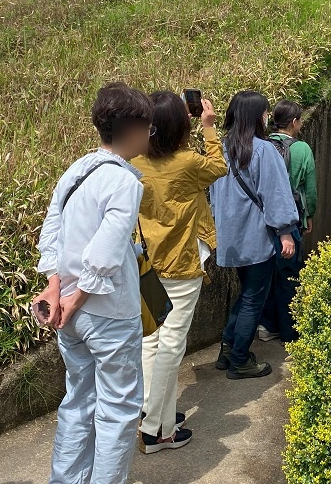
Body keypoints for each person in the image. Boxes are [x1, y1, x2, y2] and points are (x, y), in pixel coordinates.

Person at [33, 82, 155, 484]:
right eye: (148, 129)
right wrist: (80, 295)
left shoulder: (77, 168)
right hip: (106, 311)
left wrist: (56, 287)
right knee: (119, 411)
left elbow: (52, 229)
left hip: (69, 311)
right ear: (134, 128)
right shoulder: (125, 182)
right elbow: (104, 252)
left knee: (78, 402)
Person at [132, 92, 228, 453]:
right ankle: (156, 429)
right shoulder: (188, 162)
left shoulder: (134, 162)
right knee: (171, 343)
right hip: (182, 263)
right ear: (180, 125)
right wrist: (208, 128)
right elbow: (219, 167)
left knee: (151, 340)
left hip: (147, 263)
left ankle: (157, 412)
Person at [210, 91, 299, 379]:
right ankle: (239, 360)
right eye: (264, 112)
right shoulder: (262, 150)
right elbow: (275, 193)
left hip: (230, 238)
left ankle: (228, 348)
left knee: (246, 293)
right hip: (256, 236)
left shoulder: (221, 149)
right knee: (253, 298)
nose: (267, 117)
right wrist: (285, 232)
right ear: (255, 117)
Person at [257, 100, 317, 344]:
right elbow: (309, 188)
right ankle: (290, 330)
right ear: (294, 122)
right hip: (289, 219)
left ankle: (266, 325)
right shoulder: (302, 149)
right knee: (289, 274)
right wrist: (309, 214)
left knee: (264, 274)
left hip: (262, 220)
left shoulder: (262, 146)